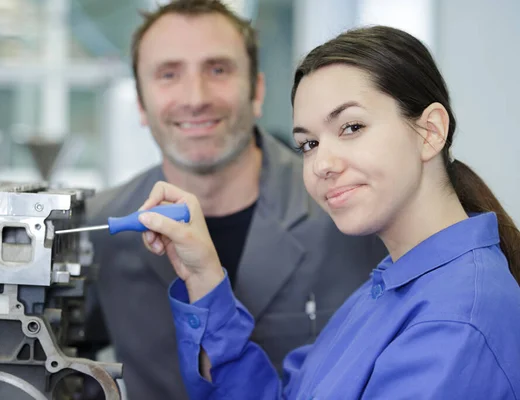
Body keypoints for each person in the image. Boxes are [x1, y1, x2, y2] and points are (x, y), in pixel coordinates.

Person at [136, 25, 520, 398]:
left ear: (430, 131)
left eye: (351, 127)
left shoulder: (453, 325)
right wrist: (201, 274)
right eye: (309, 144)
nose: (322, 163)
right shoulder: (388, 289)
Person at [80, 1, 386, 399]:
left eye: (218, 70)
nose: (196, 97)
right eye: (168, 74)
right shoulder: (100, 226)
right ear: (140, 102)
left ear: (257, 90)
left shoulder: (347, 211)